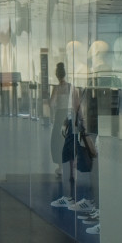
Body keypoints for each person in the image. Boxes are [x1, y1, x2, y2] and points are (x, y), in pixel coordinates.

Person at [48, 62, 81, 208]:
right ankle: (72, 166)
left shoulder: (56, 88)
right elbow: (76, 103)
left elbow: (52, 103)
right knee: (69, 140)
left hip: (59, 115)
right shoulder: (71, 87)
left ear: (57, 74)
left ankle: (62, 167)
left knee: (56, 140)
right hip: (69, 114)